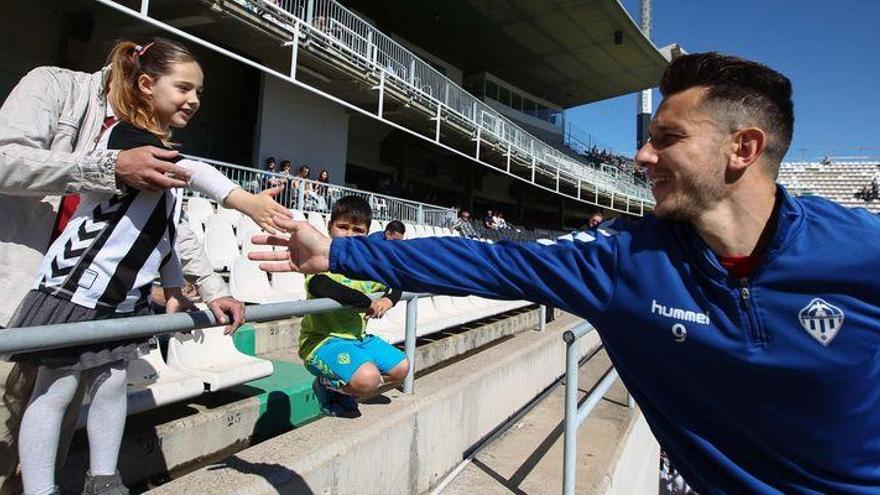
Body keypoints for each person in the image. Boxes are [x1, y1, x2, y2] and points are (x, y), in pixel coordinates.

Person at [251, 52, 880, 493]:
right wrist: (343, 254)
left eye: (667, 137)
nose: (641, 155)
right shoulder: (621, 262)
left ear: (742, 149)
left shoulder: (862, 250)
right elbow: (492, 261)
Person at [7, 38, 289, 495]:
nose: (194, 100)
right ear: (145, 83)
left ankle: (103, 478)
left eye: (198, 92)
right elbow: (192, 172)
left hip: (118, 297)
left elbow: (168, 231)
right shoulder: (121, 136)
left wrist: (190, 286)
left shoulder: (157, 148)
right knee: (54, 389)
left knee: (112, 380)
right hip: (75, 286)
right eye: (183, 88)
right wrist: (241, 200)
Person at [297, 196, 408, 417]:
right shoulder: (320, 258)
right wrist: (366, 302)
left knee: (402, 368)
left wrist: (388, 300)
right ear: (330, 228)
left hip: (358, 339)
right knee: (368, 380)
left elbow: (398, 280)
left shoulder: (366, 266)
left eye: (358, 230)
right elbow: (321, 285)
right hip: (322, 341)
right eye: (342, 227)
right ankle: (325, 384)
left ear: (367, 233)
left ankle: (344, 390)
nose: (349, 234)